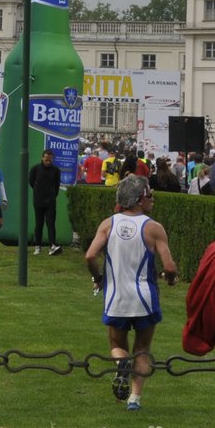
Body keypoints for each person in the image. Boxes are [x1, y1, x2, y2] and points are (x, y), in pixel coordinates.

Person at [85, 175, 178, 410]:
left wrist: (98, 278)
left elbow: (90, 255)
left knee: (117, 343)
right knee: (143, 348)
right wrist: (170, 279)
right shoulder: (154, 228)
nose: (153, 200)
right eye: (150, 196)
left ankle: (121, 364)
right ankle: (134, 399)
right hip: (145, 298)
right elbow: (169, 267)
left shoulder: (108, 224)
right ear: (138, 200)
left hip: (116, 297)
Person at [29, 148, 64, 255]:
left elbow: (57, 185)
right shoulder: (35, 168)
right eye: (46, 160)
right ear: (42, 158)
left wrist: (53, 196)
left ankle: (52, 245)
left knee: (50, 224)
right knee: (39, 224)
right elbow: (31, 181)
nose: (48, 162)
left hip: (50, 202)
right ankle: (38, 246)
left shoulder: (56, 170)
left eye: (50, 160)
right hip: (38, 201)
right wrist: (38, 192)